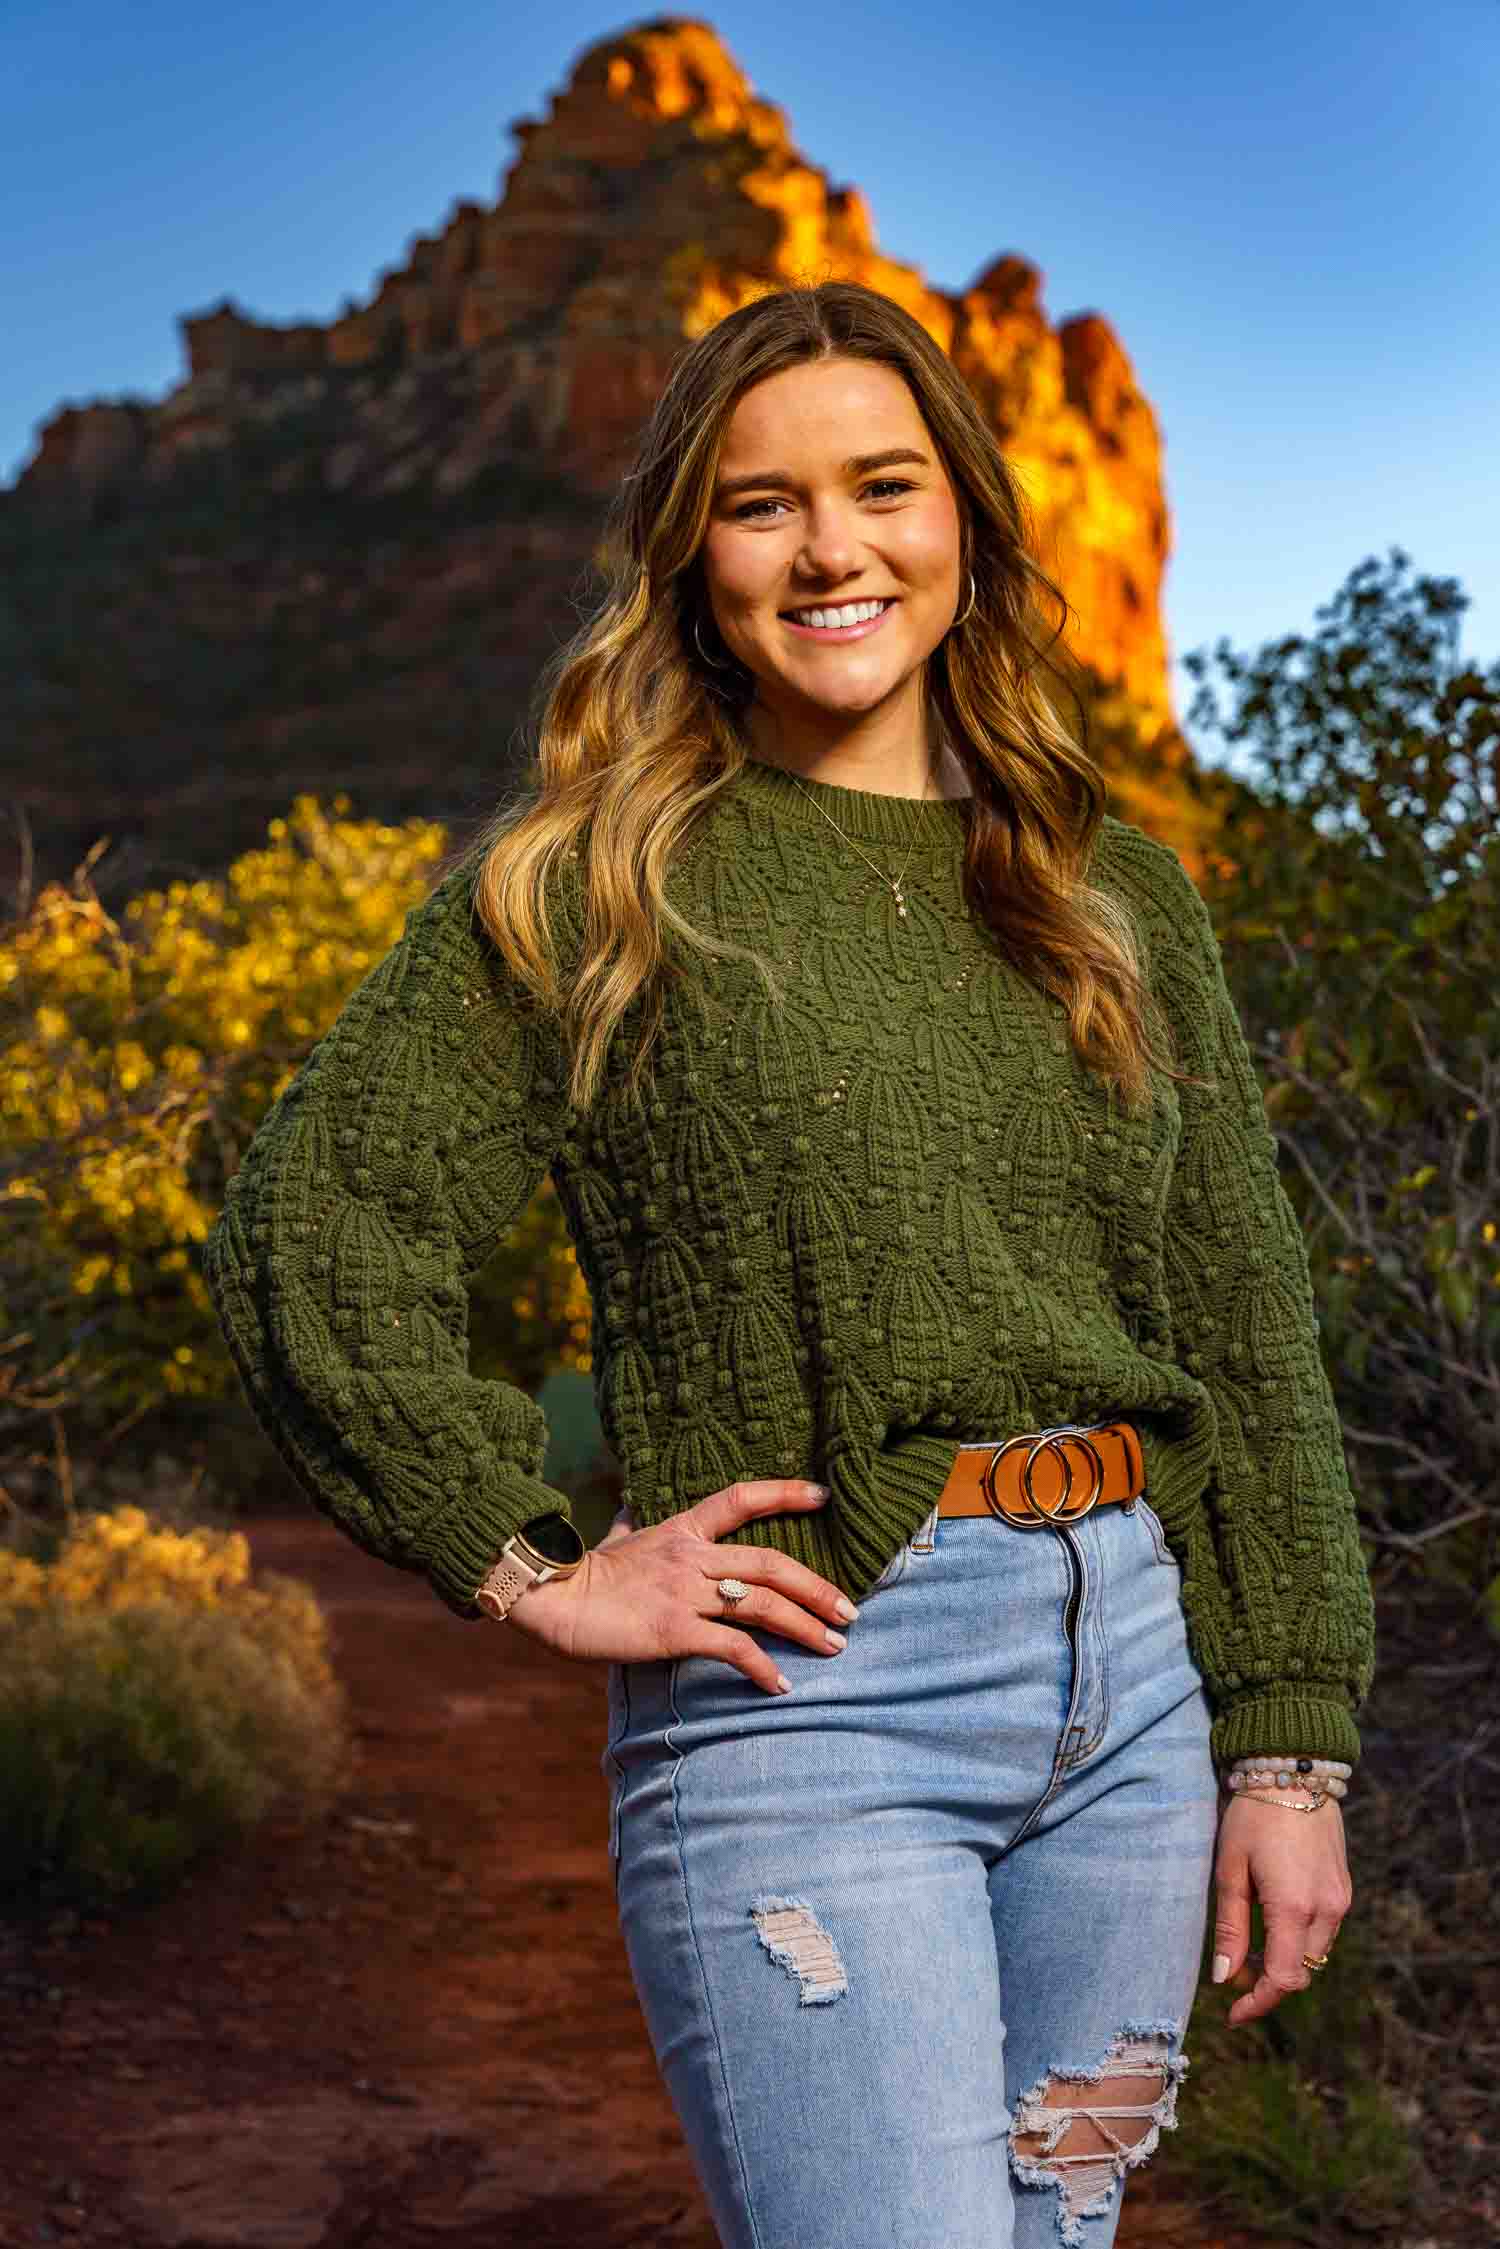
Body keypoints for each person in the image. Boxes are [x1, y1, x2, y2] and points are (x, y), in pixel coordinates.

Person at [203, 280, 1375, 2249]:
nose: (833, 549)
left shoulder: (1117, 892)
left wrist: (1297, 1744)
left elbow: (1248, 1335)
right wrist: (533, 1567)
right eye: (761, 505)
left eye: (883, 487)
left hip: (1145, 1695)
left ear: (967, 523)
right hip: (815, 1692)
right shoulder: (602, 883)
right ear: (692, 558)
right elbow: (312, 1232)